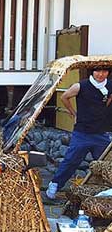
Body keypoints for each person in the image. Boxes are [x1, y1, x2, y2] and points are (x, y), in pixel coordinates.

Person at [46, 67, 112, 199]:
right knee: (71, 161)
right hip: (82, 132)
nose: (101, 74)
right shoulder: (81, 86)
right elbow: (65, 97)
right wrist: (73, 113)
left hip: (101, 133)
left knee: (106, 164)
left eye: (104, 71)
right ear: (92, 72)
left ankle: (106, 191)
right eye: (98, 71)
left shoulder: (110, 84)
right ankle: (54, 185)